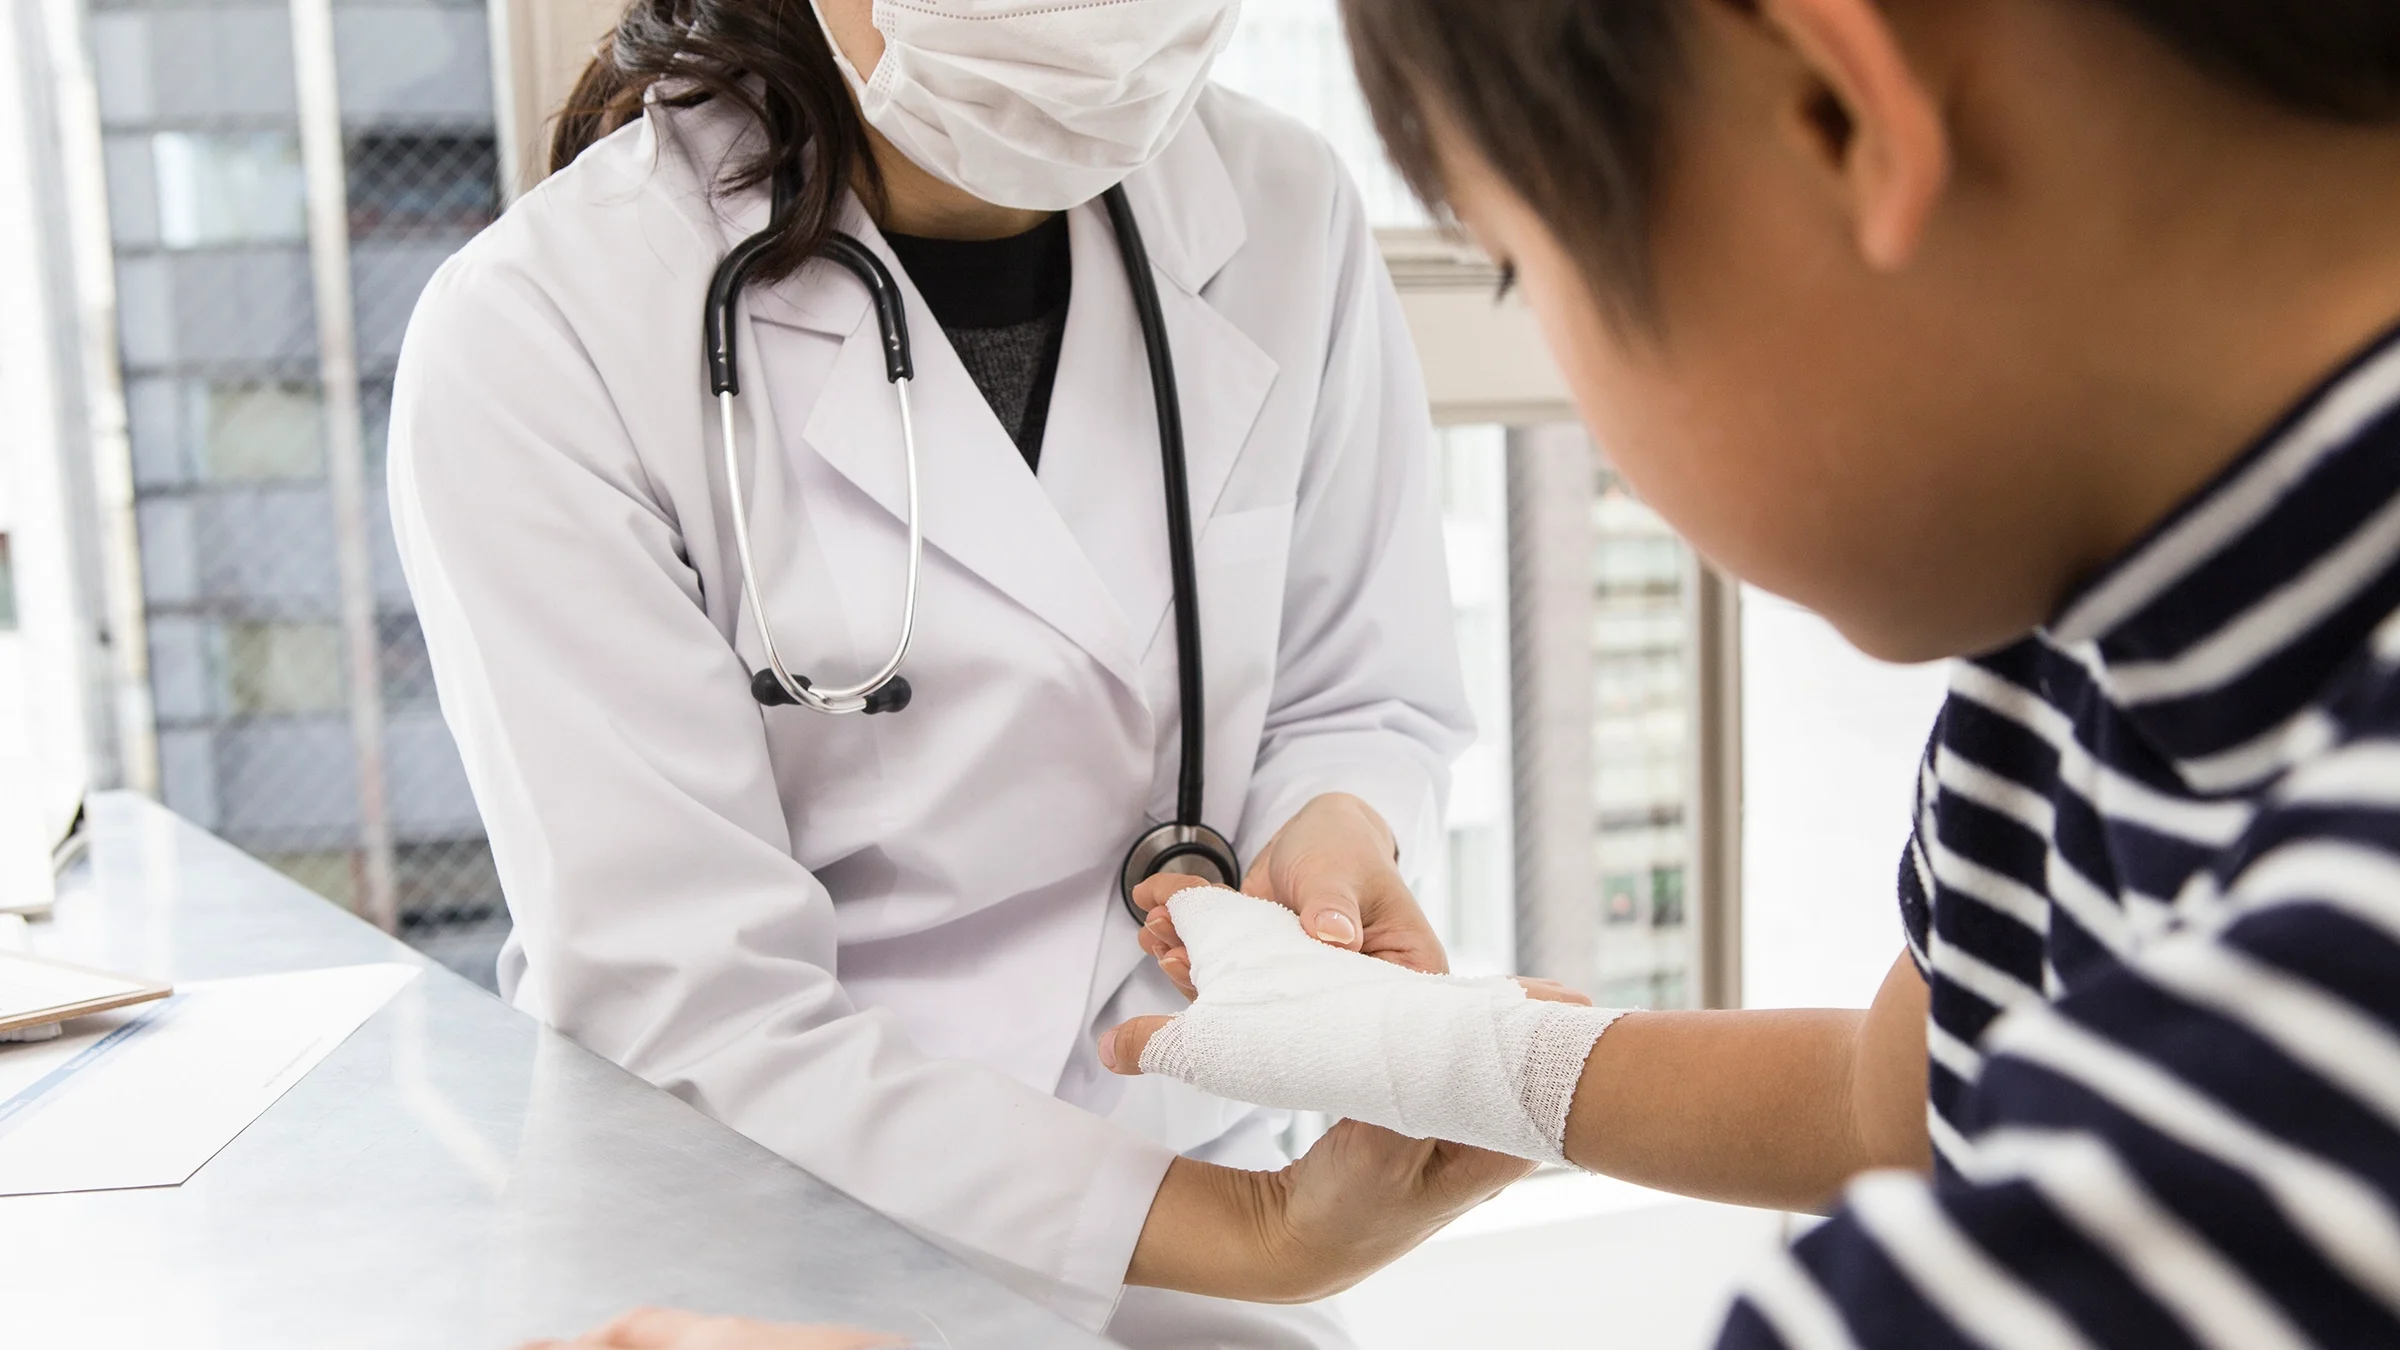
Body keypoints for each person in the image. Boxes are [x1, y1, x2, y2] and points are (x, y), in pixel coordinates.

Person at [1098, 0, 2400, 1344]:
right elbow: (1888, 1103)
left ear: (1835, 113)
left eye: (1515, 269)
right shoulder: (2075, 668)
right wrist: (1441, 1050)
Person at [388, 0, 1526, 1345]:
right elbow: (691, 1009)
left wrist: (1328, 828)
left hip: (1195, 1239)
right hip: (783, 1260)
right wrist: (1258, 1227)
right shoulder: (542, 329)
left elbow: (1358, 688)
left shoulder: (1284, 207)